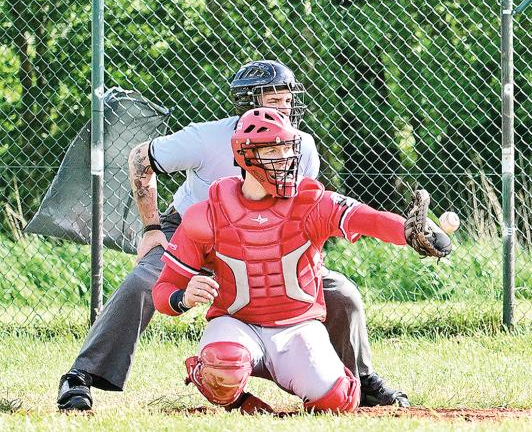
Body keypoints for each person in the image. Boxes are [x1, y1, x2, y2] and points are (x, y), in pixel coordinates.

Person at [57, 60, 409, 411]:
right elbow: (140, 158)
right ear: (248, 104)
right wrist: (150, 228)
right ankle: (81, 376)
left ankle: (360, 379)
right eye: (275, 100)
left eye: (288, 99)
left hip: (264, 241)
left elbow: (303, 211)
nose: (285, 107)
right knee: (144, 283)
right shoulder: (208, 138)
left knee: (341, 293)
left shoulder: (300, 145)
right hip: (193, 231)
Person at [152, 108, 451, 412]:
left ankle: (340, 384)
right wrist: (183, 298)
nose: (284, 159)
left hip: (296, 327)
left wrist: (409, 232)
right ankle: (238, 400)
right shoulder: (209, 213)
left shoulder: (310, 202)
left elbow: (367, 218)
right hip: (236, 325)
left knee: (336, 400)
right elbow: (163, 290)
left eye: (287, 149)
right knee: (222, 365)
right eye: (272, 150)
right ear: (245, 155)